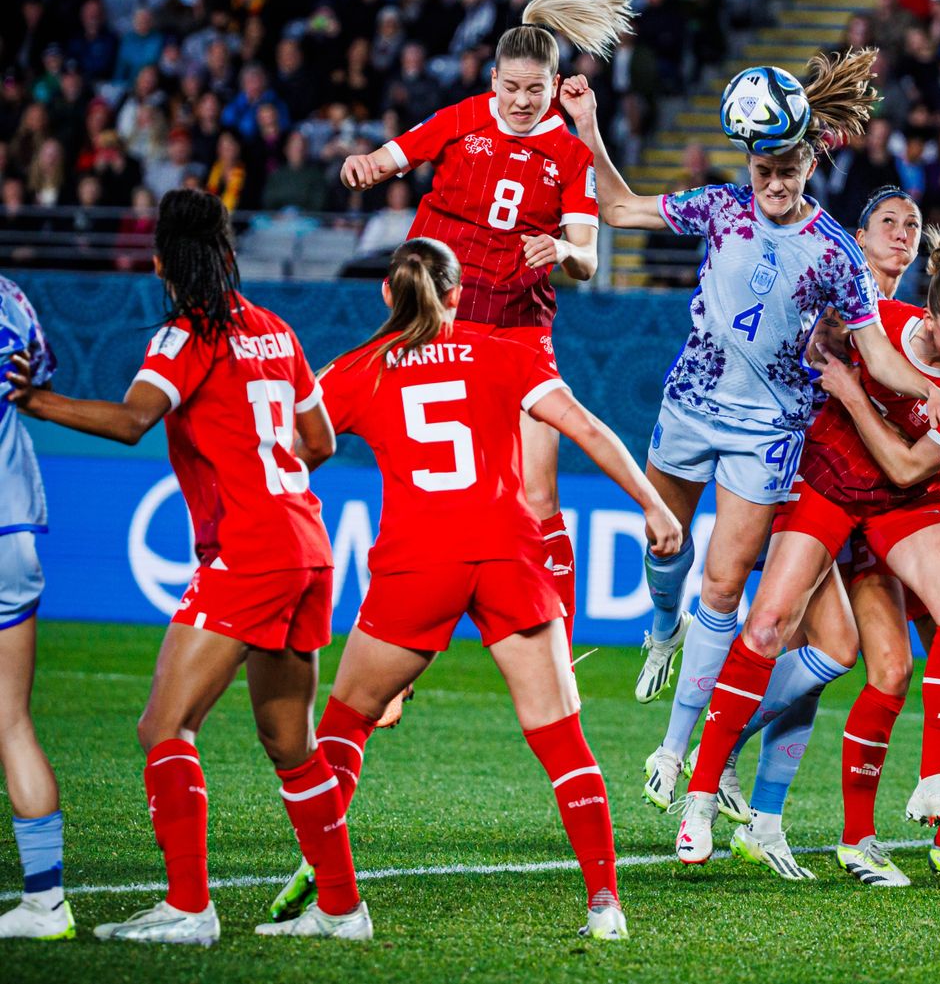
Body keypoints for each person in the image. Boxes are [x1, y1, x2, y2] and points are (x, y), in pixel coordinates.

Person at [559, 50, 940, 809]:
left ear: (810, 160)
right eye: (762, 170)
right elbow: (617, 210)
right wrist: (589, 126)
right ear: (748, 164)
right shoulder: (719, 208)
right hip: (689, 404)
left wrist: (930, 389)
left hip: (766, 432)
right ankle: (658, 628)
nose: (774, 184)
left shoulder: (837, 254)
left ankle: (675, 750)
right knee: (664, 544)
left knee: (722, 586)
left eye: (787, 169)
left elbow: (876, 350)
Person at [268, 239, 681, 940]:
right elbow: (584, 426)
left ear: (386, 296)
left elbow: (291, 442)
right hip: (509, 556)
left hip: (418, 563)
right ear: (459, 294)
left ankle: (333, 894)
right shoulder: (505, 350)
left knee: (344, 725)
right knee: (563, 742)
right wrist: (654, 504)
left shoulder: (359, 368)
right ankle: (605, 903)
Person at [5, 191, 368, 943]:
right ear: (227, 251)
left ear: (162, 260)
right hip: (309, 546)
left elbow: (134, 420)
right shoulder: (275, 328)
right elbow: (323, 441)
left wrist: (37, 400)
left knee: (164, 724)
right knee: (288, 743)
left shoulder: (184, 335)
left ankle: (188, 908)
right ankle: (341, 908)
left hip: (253, 550)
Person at [719, 202, 940, 886]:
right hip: (844, 505)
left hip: (921, 520)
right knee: (845, 653)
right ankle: (746, 781)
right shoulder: (879, 322)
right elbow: (819, 356)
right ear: (938, 305)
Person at [336, 0, 635, 646]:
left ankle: (560, 646)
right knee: (418, 492)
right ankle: (386, 647)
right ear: (493, 78)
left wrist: (561, 246)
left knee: (537, 494)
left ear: (557, 85)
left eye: (537, 89)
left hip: (517, 332)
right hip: (435, 327)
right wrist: (362, 165)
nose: (523, 101)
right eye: (513, 87)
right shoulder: (462, 117)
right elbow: (389, 157)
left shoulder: (571, 155)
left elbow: (586, 259)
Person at [0, 279, 73, 941]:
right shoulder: (12, 300)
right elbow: (39, 375)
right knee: (12, 720)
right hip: (12, 531)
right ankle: (45, 900)